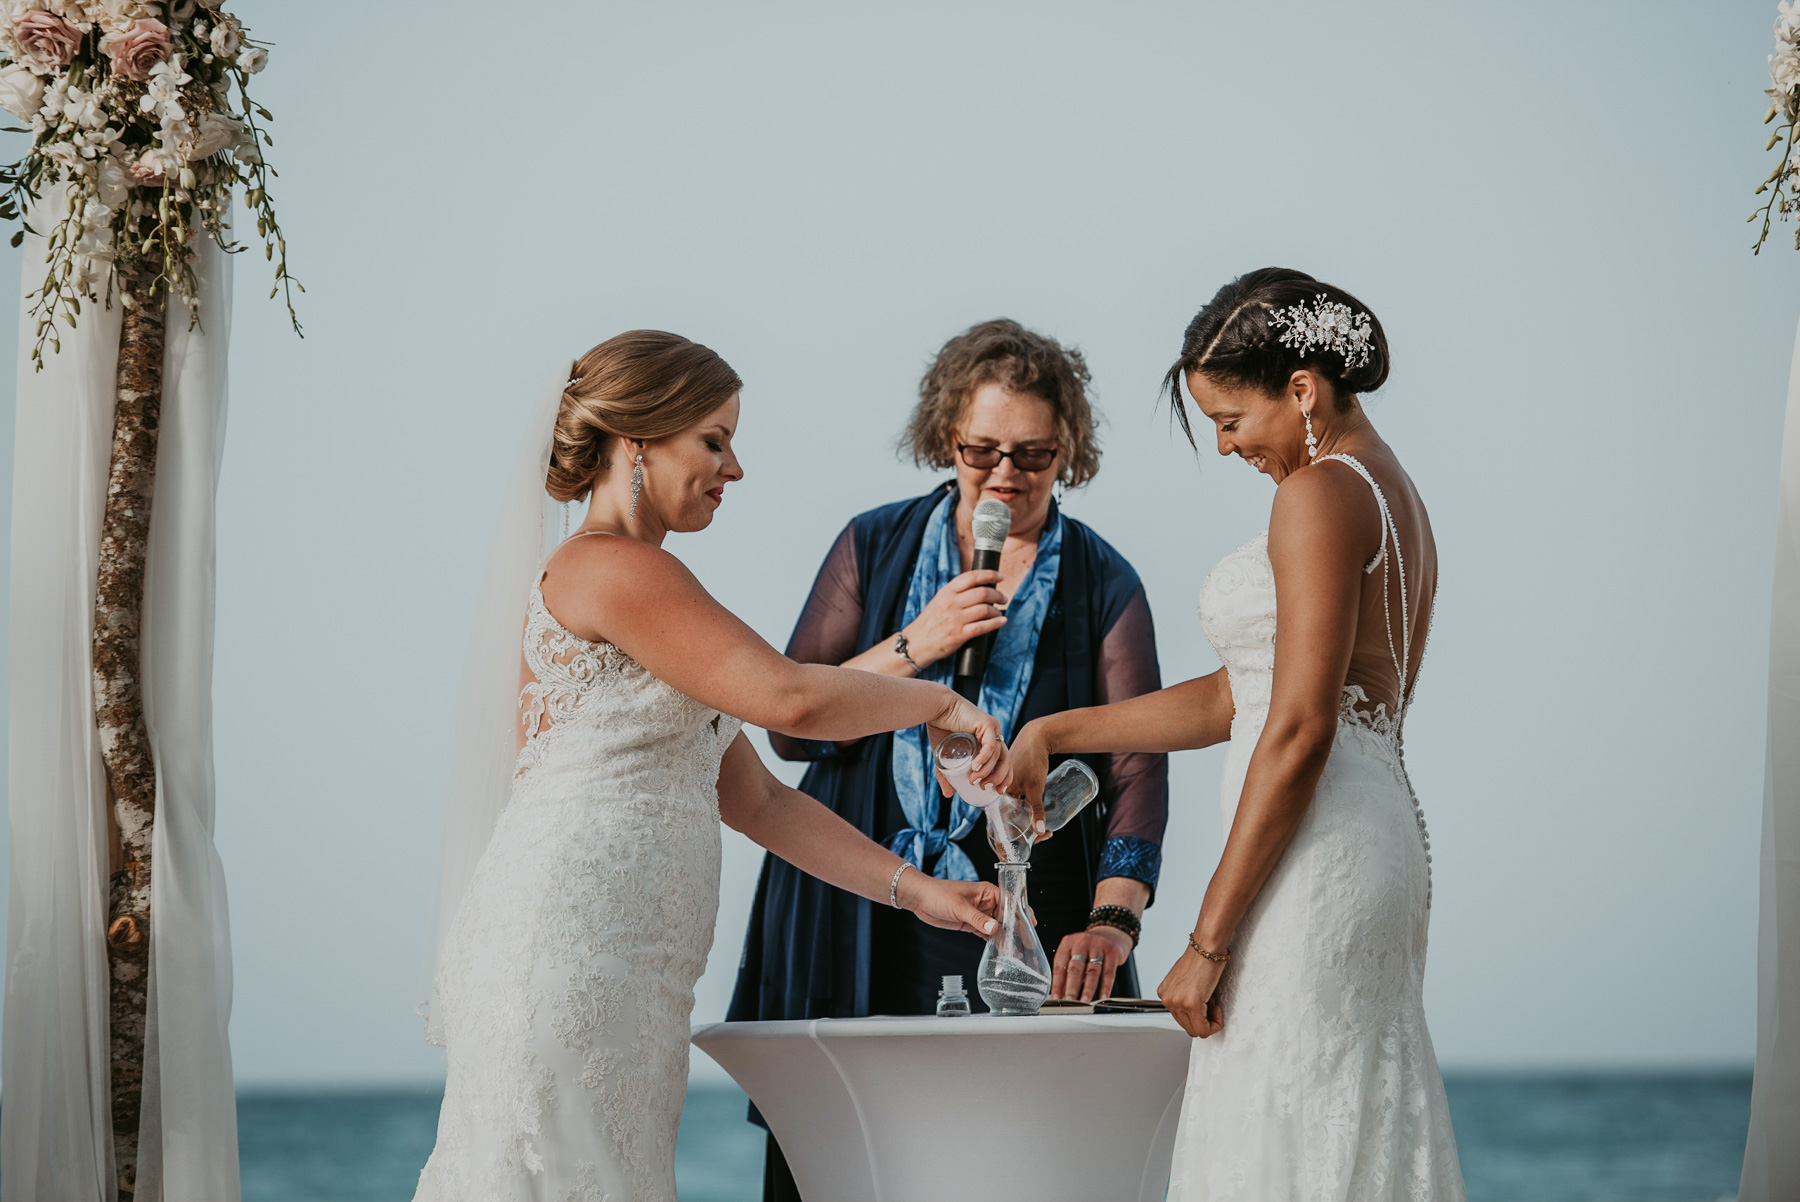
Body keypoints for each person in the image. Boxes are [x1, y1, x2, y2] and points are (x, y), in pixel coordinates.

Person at [412, 331, 1010, 1202]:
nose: (735, 470)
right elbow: (791, 700)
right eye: (715, 440)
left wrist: (924, 892)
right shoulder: (610, 568)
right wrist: (939, 702)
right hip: (574, 948)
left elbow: (760, 798)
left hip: (633, 966)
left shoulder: (648, 585)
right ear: (637, 442)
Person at [1009, 270, 1466, 1199]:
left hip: (1318, 843)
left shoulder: (1319, 494)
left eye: (1231, 419)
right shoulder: (1390, 490)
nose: (1225, 447)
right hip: (1365, 833)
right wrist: (1057, 730)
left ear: (1302, 389)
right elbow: (1238, 697)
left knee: (1276, 1122)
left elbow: (1297, 727)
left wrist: (1207, 941)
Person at [727, 319, 1168, 1201]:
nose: (1006, 474)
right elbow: (789, 726)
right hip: (852, 888)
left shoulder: (1103, 580)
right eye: (981, 450)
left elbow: (1136, 767)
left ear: (1069, 449)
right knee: (840, 1146)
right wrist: (915, 643)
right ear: (944, 438)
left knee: (1011, 1155)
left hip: (1020, 905)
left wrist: (1114, 922)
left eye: (1034, 455)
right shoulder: (872, 543)